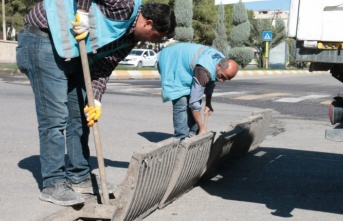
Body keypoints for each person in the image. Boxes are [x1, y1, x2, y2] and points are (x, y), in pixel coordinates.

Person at [16, 0, 175, 206]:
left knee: (81, 117)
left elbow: (102, 68)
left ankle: (79, 176)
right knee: (54, 118)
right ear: (148, 23)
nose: (152, 43)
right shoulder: (125, 4)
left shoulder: (128, 40)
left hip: (71, 51)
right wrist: (81, 12)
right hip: (43, 38)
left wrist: (96, 100)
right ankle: (53, 183)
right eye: (156, 37)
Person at [157, 43, 239, 140]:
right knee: (181, 101)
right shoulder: (204, 69)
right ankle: (181, 139)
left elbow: (210, 83)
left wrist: (208, 103)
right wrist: (202, 128)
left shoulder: (221, 62)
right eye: (222, 77)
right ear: (219, 66)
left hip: (185, 65)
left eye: (226, 79)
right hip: (172, 61)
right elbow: (194, 102)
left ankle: (194, 134)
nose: (222, 81)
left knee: (193, 98)